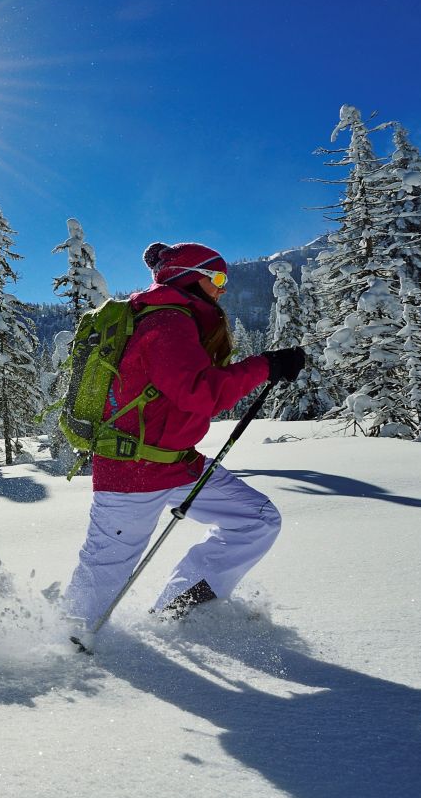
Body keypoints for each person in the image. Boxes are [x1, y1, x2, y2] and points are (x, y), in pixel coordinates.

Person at [64, 242, 306, 637]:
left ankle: (179, 610)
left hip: (176, 464)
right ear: (191, 277)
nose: (224, 289)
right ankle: (65, 645)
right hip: (132, 472)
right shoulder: (166, 321)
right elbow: (199, 392)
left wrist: (268, 366)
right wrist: (265, 366)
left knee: (256, 520)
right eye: (218, 278)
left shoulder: (175, 317)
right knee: (106, 568)